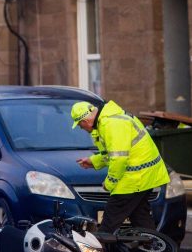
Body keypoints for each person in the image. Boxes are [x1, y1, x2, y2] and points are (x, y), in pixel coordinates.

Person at [71, 100, 169, 233]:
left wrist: (109, 183)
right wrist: (93, 161)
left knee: (109, 223)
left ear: (85, 121)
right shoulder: (110, 120)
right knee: (140, 218)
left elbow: (119, 159)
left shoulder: (111, 124)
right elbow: (114, 153)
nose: (82, 129)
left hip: (135, 178)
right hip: (145, 174)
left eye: (80, 125)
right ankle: (155, 249)